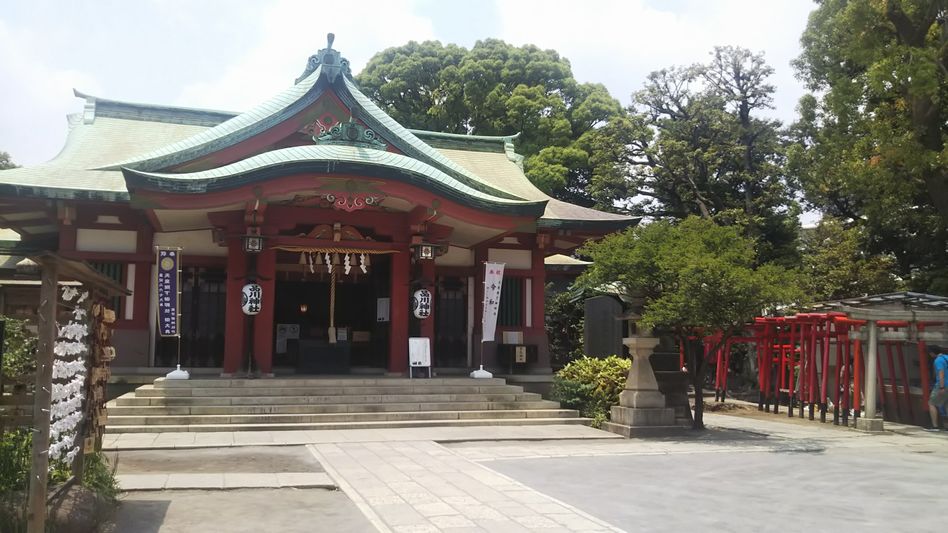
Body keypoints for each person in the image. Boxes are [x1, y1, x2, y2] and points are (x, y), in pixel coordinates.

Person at [928, 346, 948, 431]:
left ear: (933, 352)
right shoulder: (947, 357)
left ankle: (935, 426)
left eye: (930, 353)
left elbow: (941, 373)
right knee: (946, 404)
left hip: (943, 384)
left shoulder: (938, 360)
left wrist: (941, 387)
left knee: (931, 403)